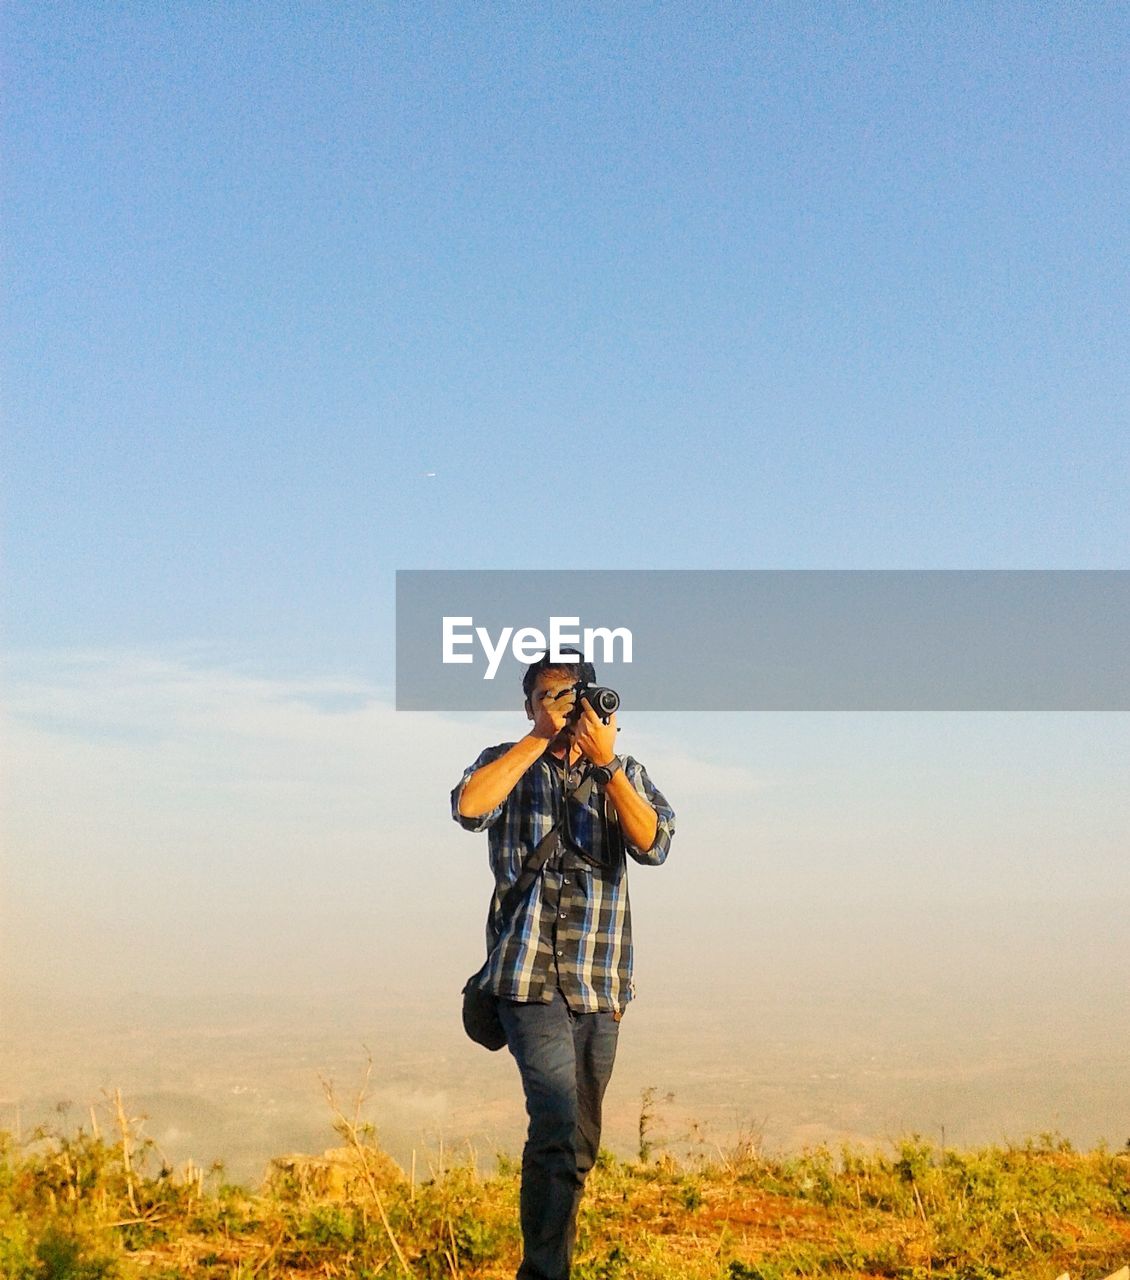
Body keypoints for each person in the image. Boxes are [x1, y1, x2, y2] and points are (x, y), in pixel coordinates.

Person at [451, 650, 675, 1280]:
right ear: (529, 705)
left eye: (575, 696)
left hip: (599, 982)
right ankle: (543, 1273)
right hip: (525, 978)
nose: (565, 706)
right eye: (550, 696)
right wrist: (538, 739)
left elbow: (654, 843)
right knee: (553, 1120)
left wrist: (605, 767)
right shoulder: (506, 760)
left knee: (577, 1143)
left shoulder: (624, 770)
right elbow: (470, 809)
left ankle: (551, 1262)